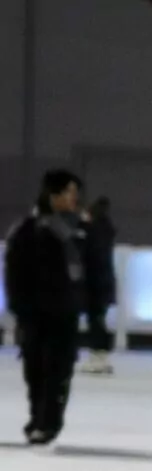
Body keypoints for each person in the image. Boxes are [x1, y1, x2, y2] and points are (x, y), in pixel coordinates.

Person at [5, 170, 85, 445]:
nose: (75, 199)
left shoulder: (79, 229)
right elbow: (13, 272)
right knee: (35, 369)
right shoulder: (26, 230)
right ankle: (37, 417)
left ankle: (48, 422)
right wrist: (18, 307)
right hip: (34, 313)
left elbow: (91, 268)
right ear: (54, 195)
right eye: (70, 193)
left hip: (64, 312)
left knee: (58, 368)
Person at [79, 195, 117, 374]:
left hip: (94, 282)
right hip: (105, 281)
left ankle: (97, 356)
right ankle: (101, 356)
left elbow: (88, 252)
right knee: (99, 320)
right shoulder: (107, 229)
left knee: (95, 320)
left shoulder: (93, 230)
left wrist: (84, 225)